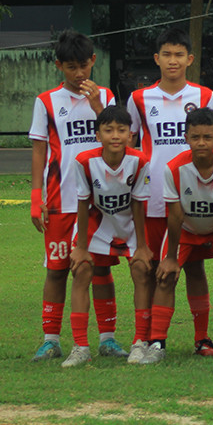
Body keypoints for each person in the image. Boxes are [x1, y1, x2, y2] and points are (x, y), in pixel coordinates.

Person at [29, 30, 123, 361]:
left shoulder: (107, 97)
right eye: (71, 67)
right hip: (60, 200)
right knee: (56, 269)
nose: (79, 73)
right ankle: (50, 338)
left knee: (99, 268)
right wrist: (35, 196)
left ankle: (108, 338)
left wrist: (97, 104)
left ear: (93, 61)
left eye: (84, 65)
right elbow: (40, 151)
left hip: (99, 202)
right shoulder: (46, 101)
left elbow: (115, 135)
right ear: (59, 66)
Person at [126, 28, 213, 361]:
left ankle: (202, 338)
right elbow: (129, 145)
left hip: (195, 199)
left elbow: (210, 143)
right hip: (152, 198)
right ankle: (148, 339)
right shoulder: (139, 99)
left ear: (190, 59)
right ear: (157, 59)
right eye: (167, 54)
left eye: (180, 54)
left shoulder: (204, 95)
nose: (173, 60)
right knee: (153, 270)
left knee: (194, 269)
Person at [143, 108, 213, 364]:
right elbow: (175, 216)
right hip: (185, 229)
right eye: (195, 137)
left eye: (207, 137)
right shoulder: (174, 168)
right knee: (165, 276)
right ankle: (157, 343)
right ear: (186, 138)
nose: (201, 142)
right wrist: (171, 257)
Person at [62, 105, 152, 367]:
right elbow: (82, 202)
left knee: (140, 269)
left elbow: (138, 204)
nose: (115, 135)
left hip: (129, 223)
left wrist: (142, 247)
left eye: (121, 130)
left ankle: (139, 343)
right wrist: (80, 247)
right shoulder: (83, 161)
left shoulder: (140, 161)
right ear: (98, 135)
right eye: (108, 130)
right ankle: (80, 346)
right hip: (97, 221)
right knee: (82, 269)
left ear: (130, 135)